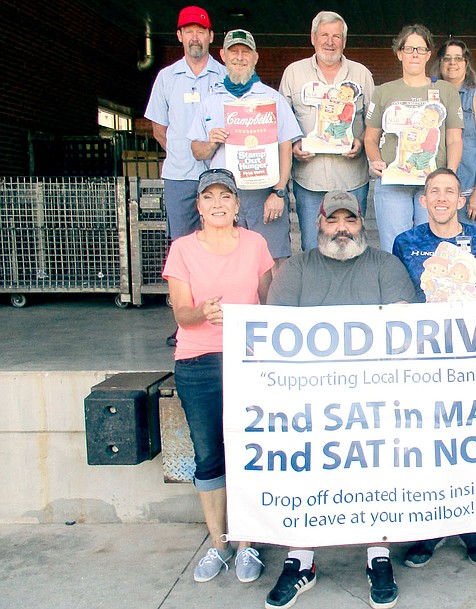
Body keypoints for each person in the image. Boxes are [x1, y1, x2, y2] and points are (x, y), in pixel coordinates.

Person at [265, 190, 416, 609]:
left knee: (378, 472)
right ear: (319, 223)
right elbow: (274, 333)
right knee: (305, 472)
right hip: (310, 400)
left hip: (375, 397)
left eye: (350, 220)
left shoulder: (386, 266)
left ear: (361, 223)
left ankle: (378, 555)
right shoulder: (297, 268)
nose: (343, 229)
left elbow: (404, 333)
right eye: (334, 221)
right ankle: (301, 560)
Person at [162, 168, 274, 584]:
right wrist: (201, 314)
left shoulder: (256, 244)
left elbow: (268, 302)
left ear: (236, 203)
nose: (217, 204)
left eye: (225, 196)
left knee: (249, 448)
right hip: (198, 361)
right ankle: (218, 543)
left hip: (248, 360)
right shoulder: (182, 249)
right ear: (198, 206)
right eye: (208, 198)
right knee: (208, 452)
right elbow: (181, 314)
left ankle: (247, 543)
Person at [392, 167, 476, 567]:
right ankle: (429, 529)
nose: (441, 198)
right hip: (422, 361)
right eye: (433, 191)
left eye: (450, 192)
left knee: (467, 442)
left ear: (461, 200)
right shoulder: (405, 242)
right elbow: (400, 298)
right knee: (429, 445)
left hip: (469, 361)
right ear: (423, 200)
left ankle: (472, 526)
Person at [144, 5, 226, 346]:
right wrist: (183, 153)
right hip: (180, 175)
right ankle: (187, 321)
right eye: (187, 30)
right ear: (179, 36)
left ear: (210, 36)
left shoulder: (225, 76)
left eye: (201, 31)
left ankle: (222, 319)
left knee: (221, 245)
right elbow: (159, 129)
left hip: (220, 174)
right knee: (182, 248)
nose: (195, 36)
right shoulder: (166, 77)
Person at [189, 29, 302, 264]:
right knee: (224, 260)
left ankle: (271, 303)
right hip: (224, 196)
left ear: (255, 57)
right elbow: (196, 151)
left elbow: (286, 148)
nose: (240, 57)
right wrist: (211, 143)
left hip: (264, 194)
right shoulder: (210, 101)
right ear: (223, 55)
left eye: (245, 52)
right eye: (234, 52)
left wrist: (279, 192)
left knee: (272, 261)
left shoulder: (272, 99)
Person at [280, 10, 375, 251]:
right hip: (309, 179)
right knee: (313, 246)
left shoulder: (361, 74)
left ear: (344, 41)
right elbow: (281, 121)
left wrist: (362, 141)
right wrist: (293, 145)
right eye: (324, 35)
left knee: (352, 245)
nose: (330, 42)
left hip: (352, 178)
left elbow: (375, 121)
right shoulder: (293, 73)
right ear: (313, 37)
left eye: (336, 36)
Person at [365, 24, 463, 252]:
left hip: (432, 183)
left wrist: (449, 175)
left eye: (421, 49)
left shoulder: (447, 91)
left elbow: (455, 140)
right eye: (409, 49)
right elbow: (370, 138)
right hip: (393, 181)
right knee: (394, 247)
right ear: (399, 53)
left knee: (433, 245)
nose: (415, 54)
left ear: (429, 54)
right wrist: (375, 160)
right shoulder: (383, 92)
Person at [432, 39, 476, 229]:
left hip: (467, 190)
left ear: (466, 63)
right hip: (434, 190)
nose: (452, 63)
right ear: (440, 63)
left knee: (467, 251)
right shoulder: (431, 95)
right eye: (447, 58)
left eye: (458, 58)